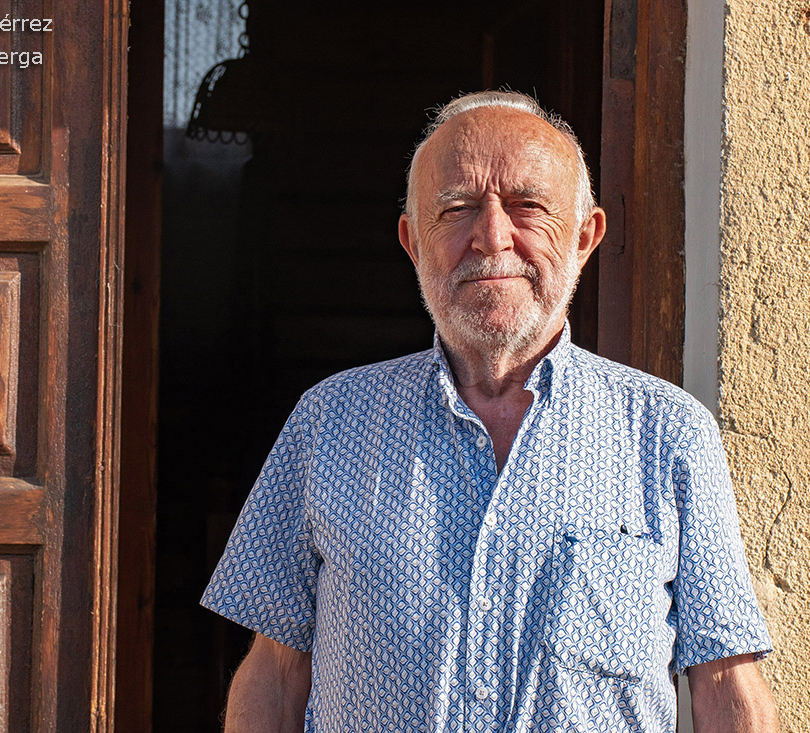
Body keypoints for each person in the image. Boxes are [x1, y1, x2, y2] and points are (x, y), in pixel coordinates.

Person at [201, 90, 777, 732]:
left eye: (528, 206)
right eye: (457, 209)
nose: (492, 237)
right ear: (413, 242)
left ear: (585, 237)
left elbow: (725, 680)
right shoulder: (329, 423)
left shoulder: (669, 431)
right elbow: (276, 673)